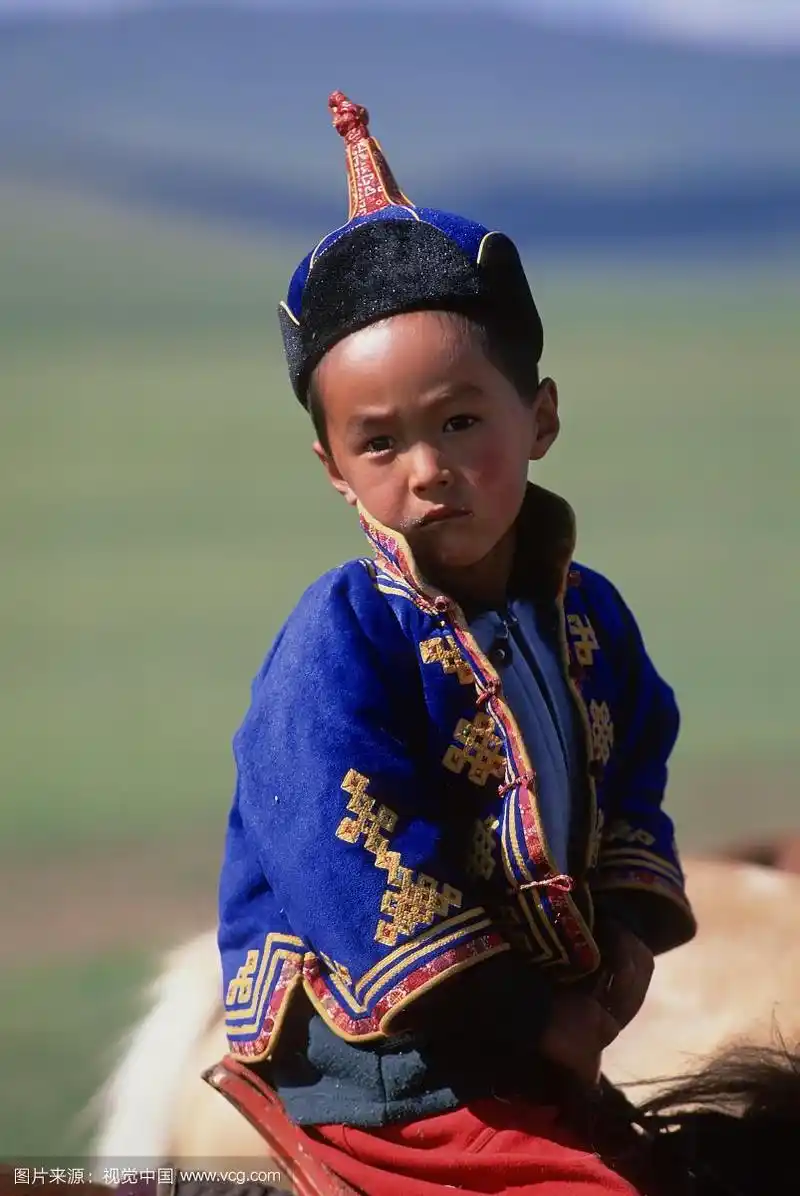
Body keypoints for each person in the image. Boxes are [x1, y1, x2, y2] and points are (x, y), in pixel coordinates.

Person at [215, 92, 697, 1195]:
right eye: (379, 442)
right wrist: (529, 1017)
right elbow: (349, 852)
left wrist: (625, 937)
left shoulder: (588, 615)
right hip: (393, 1071)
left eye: (461, 421)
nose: (427, 469)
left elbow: (636, 766)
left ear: (542, 417)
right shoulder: (340, 639)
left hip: (534, 1045)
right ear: (334, 470)